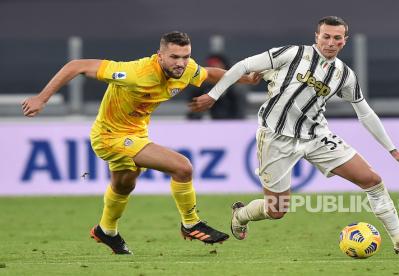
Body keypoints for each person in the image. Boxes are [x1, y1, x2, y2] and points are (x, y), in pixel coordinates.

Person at [189, 16, 399, 255]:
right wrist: (213, 95)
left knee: (372, 180)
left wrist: (393, 150)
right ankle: (241, 215)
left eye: (337, 38)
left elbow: (365, 113)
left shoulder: (344, 75)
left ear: (345, 40)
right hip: (276, 137)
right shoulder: (291, 54)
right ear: (316, 36)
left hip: (317, 136)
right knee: (276, 210)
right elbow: (243, 66)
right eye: (326, 36)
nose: (331, 43)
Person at [21, 31, 259, 254]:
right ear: (160, 56)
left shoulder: (186, 70)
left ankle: (106, 231)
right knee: (182, 167)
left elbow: (210, 72)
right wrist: (42, 99)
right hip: (109, 136)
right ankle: (190, 223)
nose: (181, 62)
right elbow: (77, 66)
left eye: (185, 56)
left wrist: (244, 79)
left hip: (136, 133)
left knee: (124, 185)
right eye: (174, 56)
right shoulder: (135, 73)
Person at [186, 54, 247, 119]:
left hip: (231, 121)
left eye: (216, 67)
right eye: (210, 67)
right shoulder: (202, 86)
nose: (213, 69)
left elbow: (240, 112)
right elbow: (192, 111)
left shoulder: (236, 86)